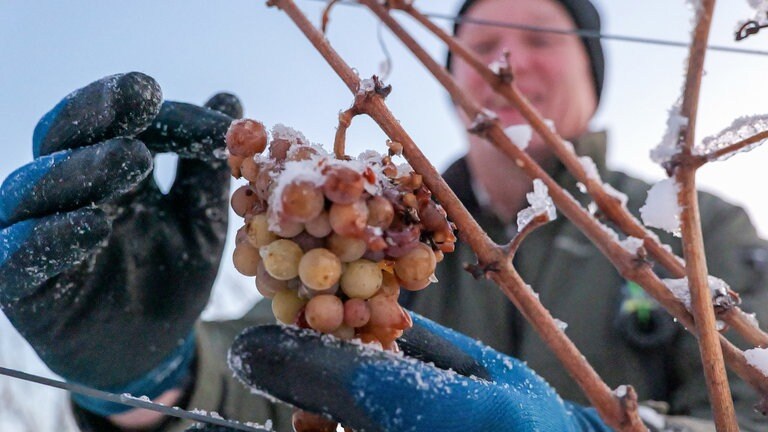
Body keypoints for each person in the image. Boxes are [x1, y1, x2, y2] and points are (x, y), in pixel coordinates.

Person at [0, 1, 766, 432]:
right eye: (483, 43)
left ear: (594, 76)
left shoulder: (698, 233)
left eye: (539, 40)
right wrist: (149, 377)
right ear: (448, 76)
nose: (505, 62)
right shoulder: (391, 224)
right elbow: (279, 373)